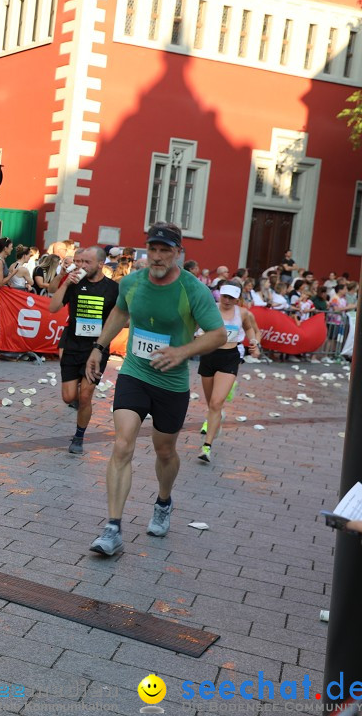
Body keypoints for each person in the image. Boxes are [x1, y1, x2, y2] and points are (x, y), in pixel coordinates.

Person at [84, 223, 226, 556]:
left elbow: (218, 335)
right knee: (122, 444)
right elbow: (120, 312)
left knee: (165, 451)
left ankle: (163, 501)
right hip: (135, 374)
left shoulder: (193, 290)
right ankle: (113, 528)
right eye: (153, 249)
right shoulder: (132, 282)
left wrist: (182, 351)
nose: (158, 256)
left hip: (171, 383)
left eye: (166, 250)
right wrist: (99, 347)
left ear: (178, 253)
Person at [48, 246, 120, 454]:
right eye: (80, 262)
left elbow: (120, 319)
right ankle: (79, 401)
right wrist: (66, 283)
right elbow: (53, 307)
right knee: (69, 397)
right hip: (72, 345)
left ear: (100, 264)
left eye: (87, 262)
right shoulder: (74, 283)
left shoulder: (113, 289)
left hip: (96, 349)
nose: (81, 266)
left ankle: (79, 437)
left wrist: (103, 343)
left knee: (86, 395)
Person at [196, 282, 262, 463]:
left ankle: (206, 447)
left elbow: (251, 328)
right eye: (224, 296)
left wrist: (254, 343)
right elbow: (198, 326)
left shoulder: (243, 313)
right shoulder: (210, 309)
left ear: (238, 298)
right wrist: (197, 336)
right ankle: (216, 416)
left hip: (229, 357)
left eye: (231, 297)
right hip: (209, 355)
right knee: (211, 403)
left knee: (216, 403)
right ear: (220, 295)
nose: (227, 300)